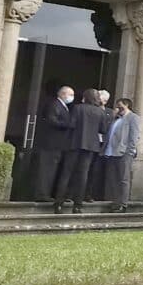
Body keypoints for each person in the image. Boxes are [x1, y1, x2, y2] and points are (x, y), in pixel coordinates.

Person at [52, 85, 108, 214]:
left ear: (85, 97)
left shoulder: (77, 108)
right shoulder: (100, 111)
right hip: (90, 146)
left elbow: (71, 124)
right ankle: (78, 205)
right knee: (83, 175)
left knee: (66, 173)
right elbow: (103, 130)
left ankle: (59, 204)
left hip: (75, 143)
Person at [36, 85, 75, 202]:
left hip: (58, 144)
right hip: (51, 144)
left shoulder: (63, 106)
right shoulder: (54, 104)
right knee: (47, 169)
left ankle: (50, 194)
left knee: (53, 169)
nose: (72, 97)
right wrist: (68, 124)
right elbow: (52, 120)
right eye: (70, 95)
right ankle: (42, 194)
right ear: (62, 94)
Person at [102, 98, 140, 212]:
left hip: (124, 153)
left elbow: (134, 137)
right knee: (114, 178)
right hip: (112, 152)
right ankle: (115, 201)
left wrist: (129, 151)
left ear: (127, 105)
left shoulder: (133, 118)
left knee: (123, 179)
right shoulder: (116, 118)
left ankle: (123, 203)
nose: (118, 107)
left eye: (120, 105)